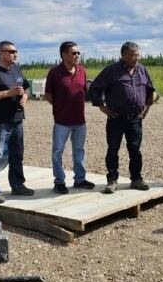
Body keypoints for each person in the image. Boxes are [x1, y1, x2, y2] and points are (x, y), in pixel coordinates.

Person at [89, 41, 155, 194]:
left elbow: (150, 89)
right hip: (116, 118)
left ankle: (136, 179)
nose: (136, 58)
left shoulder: (142, 70)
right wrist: (101, 106)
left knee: (135, 149)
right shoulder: (112, 71)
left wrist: (147, 108)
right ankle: (112, 180)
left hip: (135, 119)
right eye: (132, 55)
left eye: (137, 55)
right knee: (113, 149)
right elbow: (94, 88)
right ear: (123, 55)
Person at [0, 41, 35, 203]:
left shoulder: (16, 69)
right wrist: (7, 93)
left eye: (16, 51)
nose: (15, 54)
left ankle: (17, 185)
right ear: (1, 53)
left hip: (17, 119)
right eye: (12, 51)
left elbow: (26, 88)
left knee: (17, 155)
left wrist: (25, 97)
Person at [45, 41, 95, 194]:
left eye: (78, 53)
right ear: (63, 54)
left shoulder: (81, 71)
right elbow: (48, 95)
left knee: (79, 151)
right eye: (74, 53)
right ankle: (59, 181)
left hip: (80, 121)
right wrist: (61, 107)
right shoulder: (54, 73)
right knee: (57, 152)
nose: (77, 55)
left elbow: (84, 92)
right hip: (61, 122)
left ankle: (79, 180)